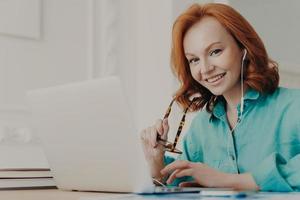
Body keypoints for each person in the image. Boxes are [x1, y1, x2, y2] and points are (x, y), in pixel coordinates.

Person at [140, 3, 300, 192]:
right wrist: (157, 162)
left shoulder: (293, 106)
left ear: (243, 48)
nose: (205, 69)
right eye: (194, 60)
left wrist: (226, 180)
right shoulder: (201, 128)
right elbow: (177, 183)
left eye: (215, 51)